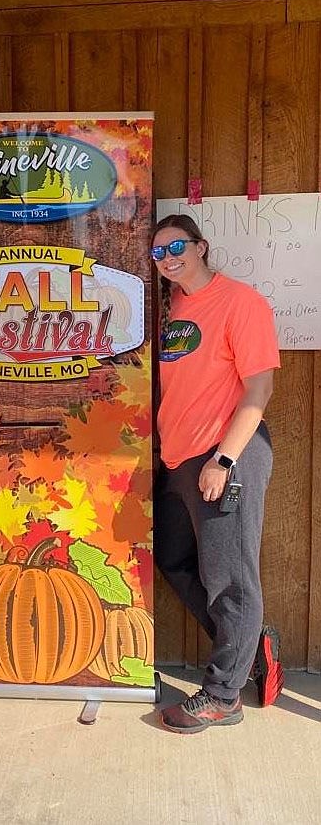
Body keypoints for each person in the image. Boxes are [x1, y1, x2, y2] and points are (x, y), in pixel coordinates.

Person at [151, 214, 283, 734]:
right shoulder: (173, 307)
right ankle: (247, 648)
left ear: (202, 246)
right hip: (180, 459)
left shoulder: (241, 302)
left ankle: (224, 695)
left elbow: (259, 391)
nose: (168, 258)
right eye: (159, 252)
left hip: (226, 455)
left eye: (177, 246)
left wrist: (223, 459)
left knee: (230, 579)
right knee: (173, 558)